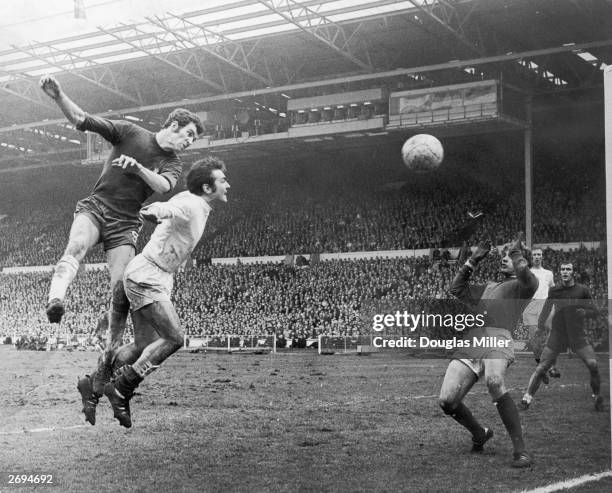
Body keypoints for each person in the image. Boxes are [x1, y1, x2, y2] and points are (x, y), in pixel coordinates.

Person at [39, 75, 203, 418]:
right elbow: (83, 120)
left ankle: (100, 374)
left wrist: (139, 167)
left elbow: (161, 185)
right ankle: (56, 299)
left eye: (193, 139)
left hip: (125, 226)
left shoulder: (172, 163)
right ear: (173, 124)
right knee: (76, 246)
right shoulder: (130, 132)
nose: (189, 141)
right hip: (96, 208)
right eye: (188, 134)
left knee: (121, 288)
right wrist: (59, 97)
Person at [102, 157, 230, 428]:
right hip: (147, 275)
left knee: (141, 345)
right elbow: (164, 208)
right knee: (175, 338)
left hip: (154, 274)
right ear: (207, 188)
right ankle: (121, 388)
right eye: (222, 181)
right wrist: (152, 212)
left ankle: (96, 381)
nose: (227, 184)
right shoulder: (191, 204)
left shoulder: (195, 201)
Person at [438, 236, 538, 468]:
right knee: (447, 401)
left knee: (494, 381)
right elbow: (456, 288)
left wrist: (516, 253)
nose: (504, 259)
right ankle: (479, 433)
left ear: (521, 260)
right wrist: (473, 260)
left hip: (498, 337)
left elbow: (524, 273)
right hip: (473, 339)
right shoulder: (490, 287)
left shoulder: (525, 285)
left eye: (509, 257)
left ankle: (521, 451)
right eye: (503, 256)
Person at [520, 262, 604, 411]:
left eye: (568, 269)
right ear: (560, 272)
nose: (565, 272)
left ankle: (597, 397)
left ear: (573, 272)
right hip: (558, 335)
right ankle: (526, 399)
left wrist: (586, 313)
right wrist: (540, 327)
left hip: (577, 335)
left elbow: (595, 310)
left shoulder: (582, 290)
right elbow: (546, 309)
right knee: (541, 368)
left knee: (593, 365)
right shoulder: (554, 291)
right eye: (563, 269)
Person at [522, 248, 558, 382]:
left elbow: (552, 290)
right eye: (535, 255)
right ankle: (540, 368)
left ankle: (552, 366)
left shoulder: (549, 274)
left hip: (546, 306)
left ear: (542, 257)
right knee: (535, 342)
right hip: (531, 306)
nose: (537, 257)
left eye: (539, 255)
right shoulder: (528, 273)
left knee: (549, 338)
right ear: (531, 257)